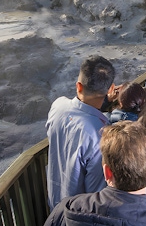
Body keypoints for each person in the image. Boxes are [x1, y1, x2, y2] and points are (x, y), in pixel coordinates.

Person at [45, 55, 115, 208]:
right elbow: (96, 191)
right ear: (110, 89)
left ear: (79, 86)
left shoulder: (57, 106)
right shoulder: (101, 133)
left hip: (55, 204)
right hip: (79, 216)